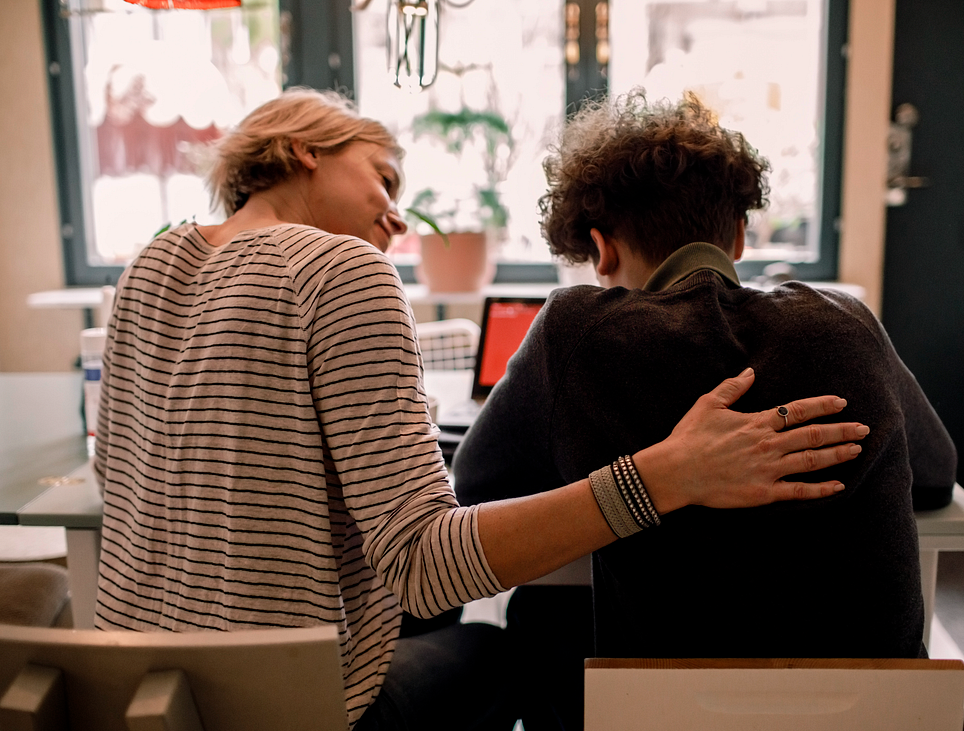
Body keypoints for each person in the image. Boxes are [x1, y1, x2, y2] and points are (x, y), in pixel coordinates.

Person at [92, 87, 868, 731]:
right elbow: (427, 568)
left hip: (137, 695)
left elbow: (118, 476)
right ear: (305, 148)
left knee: (446, 627)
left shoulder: (150, 263)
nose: (396, 218)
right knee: (514, 644)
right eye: (385, 180)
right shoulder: (342, 268)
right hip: (289, 710)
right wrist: (663, 474)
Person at [452, 89, 958, 730]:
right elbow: (937, 474)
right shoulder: (843, 319)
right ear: (740, 236)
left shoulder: (576, 329)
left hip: (660, 719)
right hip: (880, 722)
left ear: (602, 251)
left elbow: (474, 488)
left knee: (538, 615)